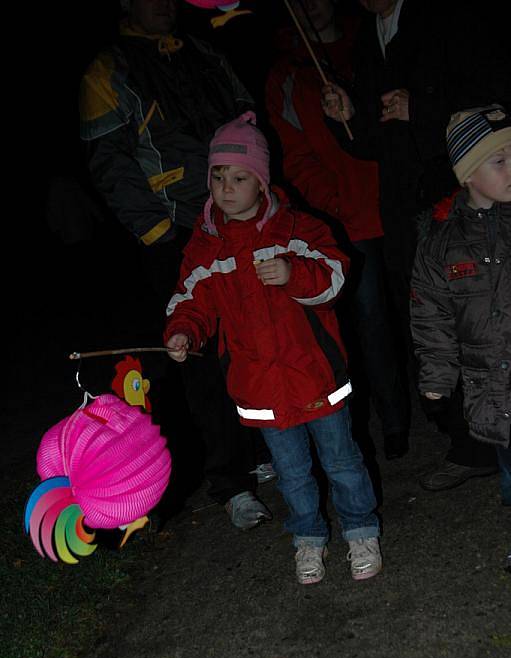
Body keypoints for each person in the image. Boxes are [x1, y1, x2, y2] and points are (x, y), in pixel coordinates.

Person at [79, 0, 275, 529]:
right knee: (199, 356)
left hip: (238, 219)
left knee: (259, 334)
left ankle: (265, 447)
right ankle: (231, 481)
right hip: (177, 233)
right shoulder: (108, 70)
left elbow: (247, 119)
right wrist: (161, 234)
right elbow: (110, 163)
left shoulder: (205, 52)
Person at [165, 111, 382, 585]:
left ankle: (361, 529)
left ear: (262, 182)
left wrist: (293, 274)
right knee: (291, 473)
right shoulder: (206, 248)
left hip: (316, 377)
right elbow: (189, 298)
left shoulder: (298, 229)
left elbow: (337, 275)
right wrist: (183, 331)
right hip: (259, 386)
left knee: (342, 461)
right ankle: (308, 538)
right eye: (218, 176)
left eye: (239, 177)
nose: (226, 187)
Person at [320, 0, 509, 489]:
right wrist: (345, 116)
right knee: (435, 316)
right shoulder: (368, 38)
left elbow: (492, 98)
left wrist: (422, 107)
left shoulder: (447, 15)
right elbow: (372, 138)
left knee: (489, 314)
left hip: (467, 196)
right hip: (409, 212)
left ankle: (491, 441)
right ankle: (467, 443)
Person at [265, 0, 408, 460]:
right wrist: (334, 206)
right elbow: (296, 158)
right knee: (370, 325)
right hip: (350, 218)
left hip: (401, 202)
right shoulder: (285, 75)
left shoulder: (371, 41)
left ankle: (446, 407)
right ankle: (394, 422)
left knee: (423, 309)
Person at [410, 106, 511, 511]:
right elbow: (430, 313)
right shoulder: (440, 241)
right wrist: (436, 374)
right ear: (468, 173)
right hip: (491, 386)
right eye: (501, 161)